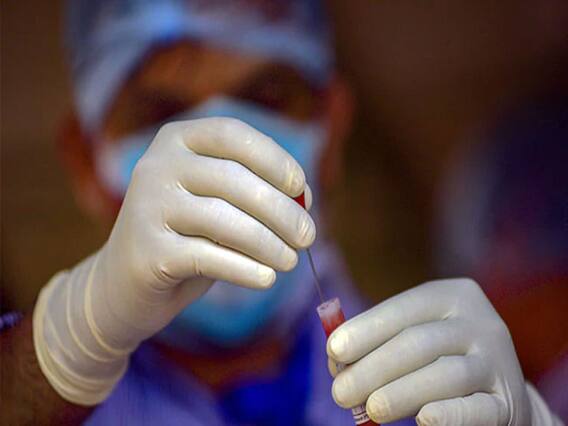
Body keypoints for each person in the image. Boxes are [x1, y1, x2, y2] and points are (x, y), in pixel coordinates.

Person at [0, 1, 563, 425]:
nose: (227, 156)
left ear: (333, 127)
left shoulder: (435, 392)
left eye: (265, 97)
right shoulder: (57, 399)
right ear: (85, 161)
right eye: (164, 112)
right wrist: (70, 341)